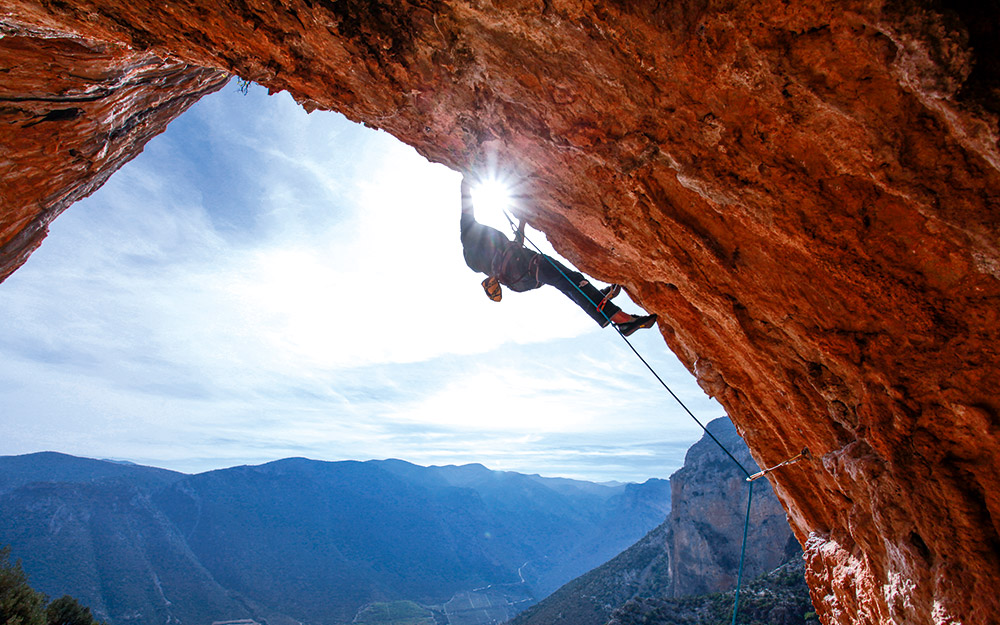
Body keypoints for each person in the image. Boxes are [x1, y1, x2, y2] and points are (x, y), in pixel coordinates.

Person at [460, 175, 658, 336]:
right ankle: (621, 319)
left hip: (519, 277)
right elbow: (466, 201)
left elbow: (514, 248)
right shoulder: (469, 236)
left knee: (568, 281)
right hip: (524, 267)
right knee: (569, 281)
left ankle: (596, 297)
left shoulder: (484, 256)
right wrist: (467, 175)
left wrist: (521, 225)